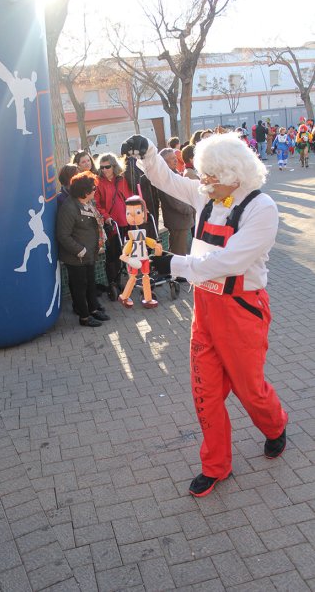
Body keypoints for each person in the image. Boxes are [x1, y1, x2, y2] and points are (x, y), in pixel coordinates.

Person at [123, 132, 288, 498]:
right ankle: (216, 465)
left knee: (250, 390)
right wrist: (148, 152)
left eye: (211, 177)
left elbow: (231, 261)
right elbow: (169, 180)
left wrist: (175, 263)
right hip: (206, 311)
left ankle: (275, 425)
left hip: (242, 311)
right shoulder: (207, 194)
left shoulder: (262, 209)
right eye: (204, 175)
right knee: (205, 393)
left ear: (235, 176)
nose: (204, 183)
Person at [56, 171, 109, 327]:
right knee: (80, 287)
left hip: (89, 254)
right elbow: (63, 235)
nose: (95, 190)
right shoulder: (69, 208)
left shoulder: (88, 203)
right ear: (85, 191)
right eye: (93, 188)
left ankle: (93, 310)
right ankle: (84, 317)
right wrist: (81, 250)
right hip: (77, 257)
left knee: (90, 284)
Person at [94, 153, 132, 300]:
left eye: (107, 167)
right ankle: (113, 283)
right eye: (102, 167)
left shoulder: (121, 180)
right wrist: (106, 217)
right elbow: (97, 204)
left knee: (127, 253)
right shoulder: (98, 182)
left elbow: (128, 197)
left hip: (126, 221)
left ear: (114, 166)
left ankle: (126, 281)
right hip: (112, 224)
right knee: (113, 255)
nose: (104, 170)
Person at [158, 148, 195, 255]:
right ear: (164, 162)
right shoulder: (166, 178)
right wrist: (191, 208)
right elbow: (175, 202)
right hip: (178, 221)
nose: (175, 160)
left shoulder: (173, 174)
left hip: (182, 220)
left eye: (175, 158)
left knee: (183, 252)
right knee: (180, 254)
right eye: (172, 159)